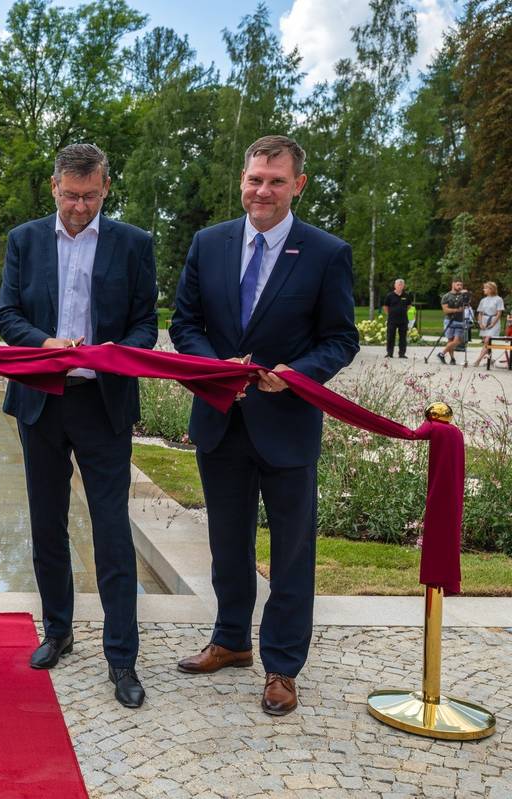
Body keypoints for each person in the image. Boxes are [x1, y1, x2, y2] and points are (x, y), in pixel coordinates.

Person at [170, 135, 359, 716]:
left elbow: (340, 339)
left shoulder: (326, 253)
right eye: (255, 179)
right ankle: (230, 640)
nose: (263, 190)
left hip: (288, 425)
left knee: (292, 552)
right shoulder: (210, 243)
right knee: (226, 543)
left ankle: (282, 665)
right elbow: (185, 324)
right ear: (243, 179)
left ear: (298, 185)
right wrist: (214, 367)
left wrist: (297, 374)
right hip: (221, 421)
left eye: (276, 181)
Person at [0, 143, 158, 709]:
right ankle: (58, 630)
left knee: (112, 531)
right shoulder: (25, 239)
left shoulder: (134, 243)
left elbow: (146, 324)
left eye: (89, 196)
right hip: (42, 397)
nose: (79, 206)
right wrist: (43, 344)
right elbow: (7, 314)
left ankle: (121, 657)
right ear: (54, 186)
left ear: (106, 187)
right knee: (47, 524)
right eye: (70, 195)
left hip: (103, 400)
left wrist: (115, 351)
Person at [437, 279, 468, 366]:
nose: (460, 286)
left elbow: (468, 303)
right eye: (458, 284)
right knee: (450, 340)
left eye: (461, 285)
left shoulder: (462, 295)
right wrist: (457, 310)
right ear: (453, 284)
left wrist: (466, 294)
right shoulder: (446, 296)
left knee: (458, 340)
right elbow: (446, 310)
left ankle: (441, 353)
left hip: (460, 321)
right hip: (449, 320)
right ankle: (452, 359)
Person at [475, 282, 505, 369]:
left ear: (491, 289)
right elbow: (480, 313)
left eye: (485, 288)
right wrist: (480, 323)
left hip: (493, 322)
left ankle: (478, 360)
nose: (483, 290)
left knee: (487, 341)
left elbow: (499, 313)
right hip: (484, 321)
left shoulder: (498, 299)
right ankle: (490, 360)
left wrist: (492, 324)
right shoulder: (483, 300)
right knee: (486, 342)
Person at [382, 279, 412, 358]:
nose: (400, 286)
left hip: (403, 320)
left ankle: (402, 354)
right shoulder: (390, 295)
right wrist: (390, 313)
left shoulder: (406, 295)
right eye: (398, 284)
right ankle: (389, 353)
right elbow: (385, 307)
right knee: (390, 336)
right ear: (395, 286)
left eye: (401, 285)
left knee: (403, 337)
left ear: (403, 286)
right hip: (392, 319)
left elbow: (409, 306)